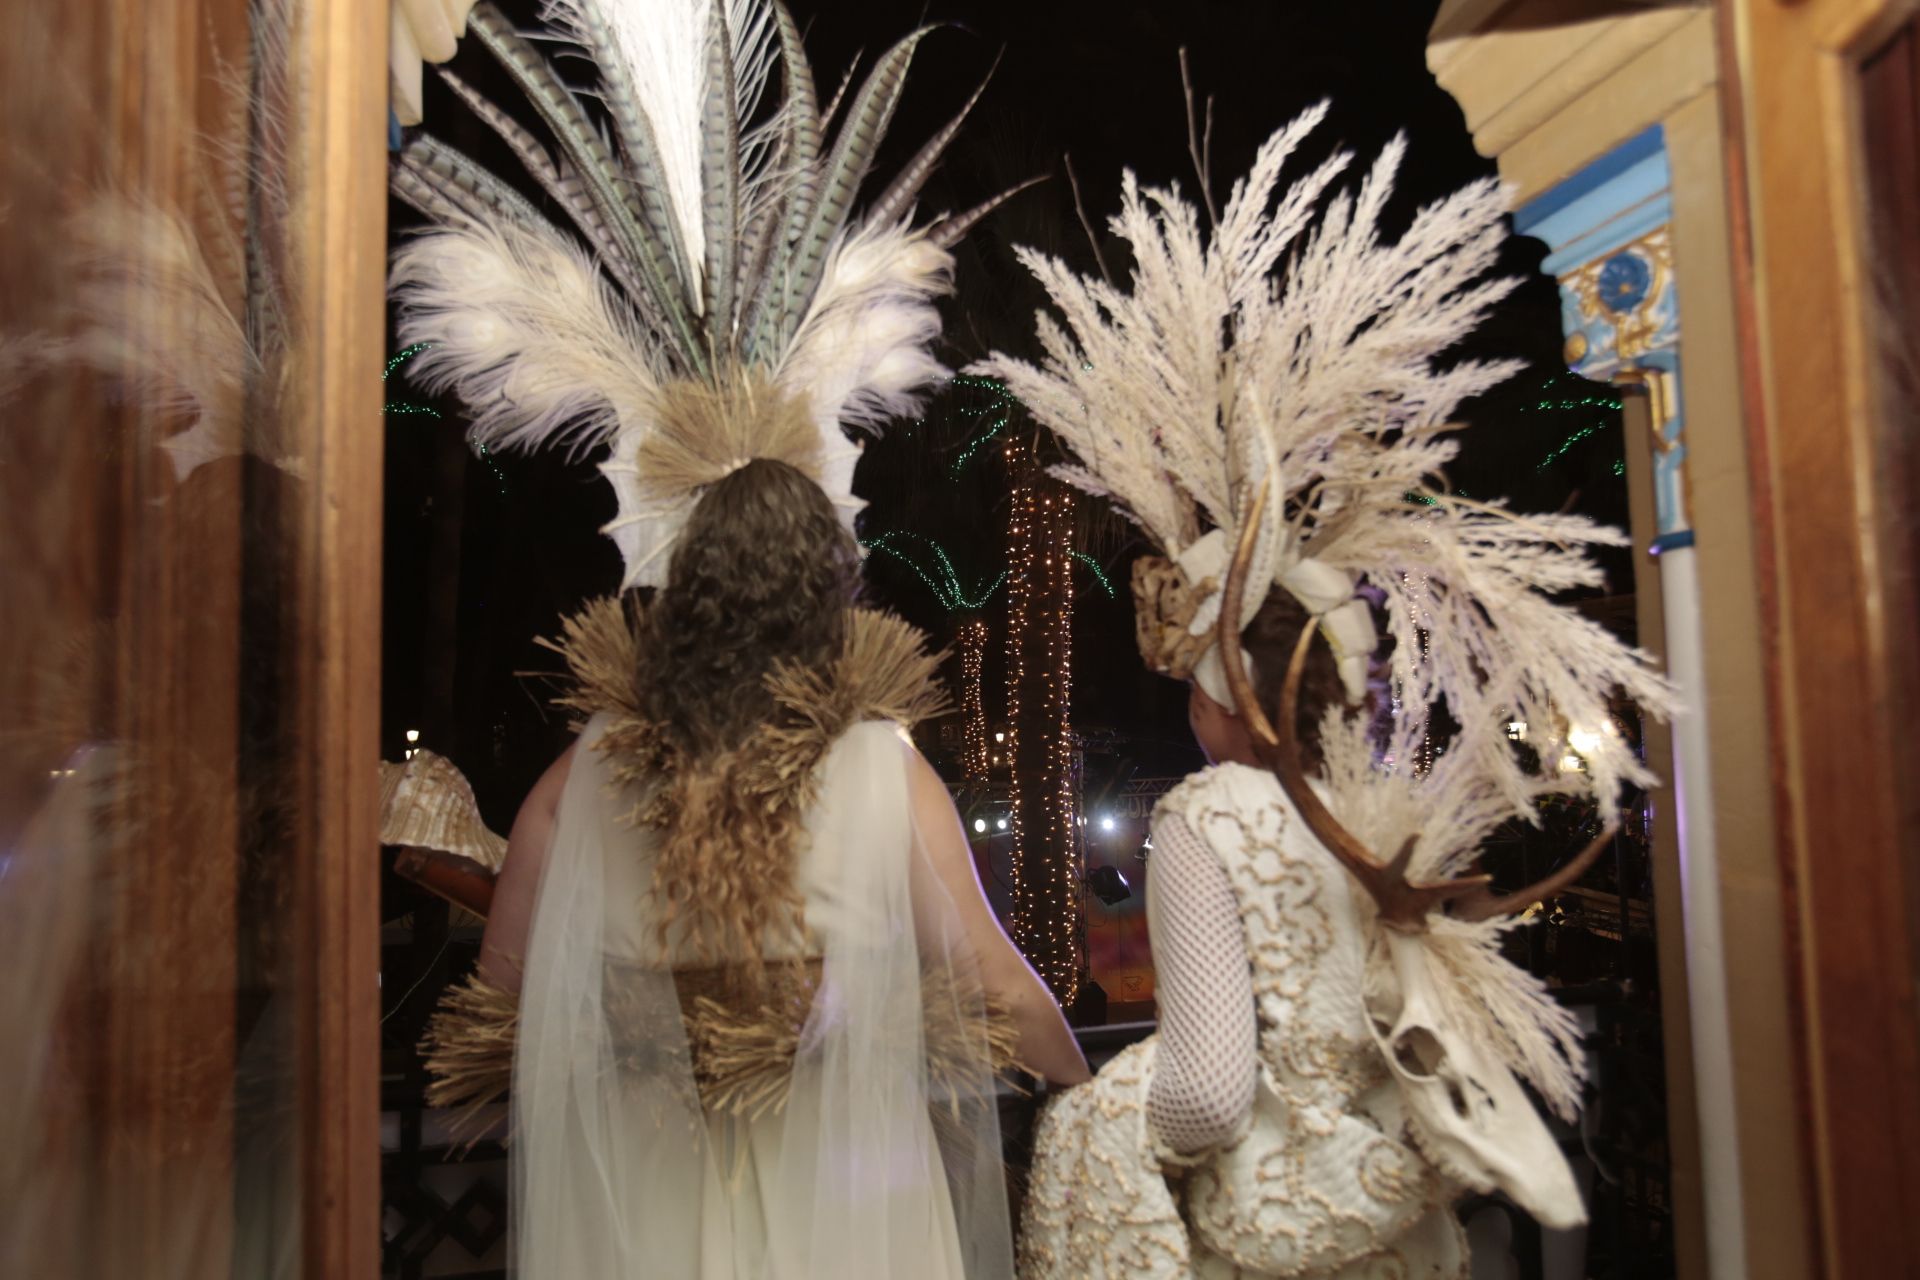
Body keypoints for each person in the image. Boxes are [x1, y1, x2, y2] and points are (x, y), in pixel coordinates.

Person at [978, 101, 1675, 1277]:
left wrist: (1100, 1117)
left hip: (1279, 1241)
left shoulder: (1208, 817)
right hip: (1412, 1230)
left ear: (1221, 689)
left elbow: (1206, 1090)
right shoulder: (1393, 808)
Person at [458, 457, 1085, 1277]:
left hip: (649, 1186)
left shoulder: (586, 770)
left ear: (686, 590)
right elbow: (991, 981)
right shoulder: (881, 765)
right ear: (829, 600)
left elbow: (502, 992)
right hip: (845, 1189)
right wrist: (1082, 1085)